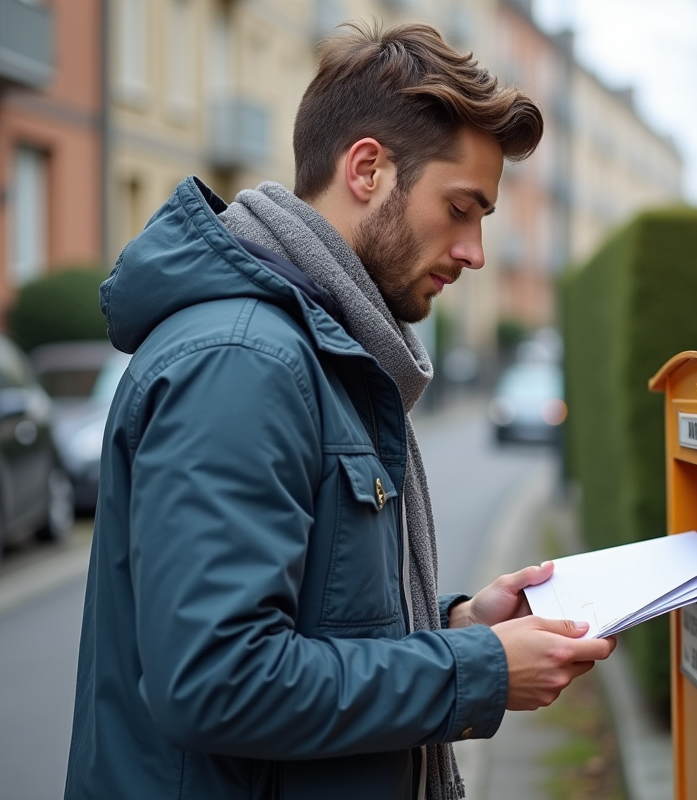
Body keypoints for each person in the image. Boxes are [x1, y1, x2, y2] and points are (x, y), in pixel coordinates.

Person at [63, 20, 615, 800]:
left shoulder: (319, 353)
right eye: (462, 208)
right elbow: (218, 680)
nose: (474, 252)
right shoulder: (245, 360)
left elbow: (311, 623)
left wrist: (455, 628)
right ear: (367, 170)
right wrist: (475, 669)